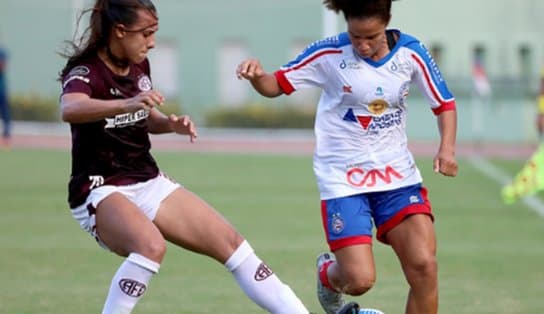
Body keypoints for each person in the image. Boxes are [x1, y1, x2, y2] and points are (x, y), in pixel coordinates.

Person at [58, 1, 311, 313]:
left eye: (155, 33)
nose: (152, 42)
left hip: (147, 180)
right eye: (146, 34)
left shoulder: (139, 67)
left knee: (232, 245)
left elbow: (142, 116)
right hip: (100, 187)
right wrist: (127, 104)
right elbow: (71, 108)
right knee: (150, 247)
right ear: (120, 31)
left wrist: (168, 124)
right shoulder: (86, 72)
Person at [236, 0, 458, 313]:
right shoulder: (328, 53)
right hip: (343, 179)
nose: (363, 46)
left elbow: (444, 104)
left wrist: (446, 148)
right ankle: (328, 276)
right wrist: (258, 75)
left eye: (372, 37)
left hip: (397, 177)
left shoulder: (412, 52)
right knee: (359, 280)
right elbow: (276, 85)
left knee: (424, 268)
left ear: (387, 23)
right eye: (356, 37)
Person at [0, 44, 11, 148]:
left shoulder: (2, 52)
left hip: (1, 90)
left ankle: (6, 139)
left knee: (5, 115)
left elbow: (2, 66)